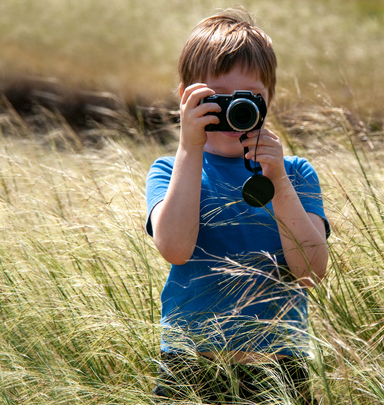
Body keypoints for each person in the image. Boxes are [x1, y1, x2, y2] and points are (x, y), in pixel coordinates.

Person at [145, 7, 330, 404]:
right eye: (217, 99)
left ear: (269, 100)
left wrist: (278, 181)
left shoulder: (295, 174)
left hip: (278, 364)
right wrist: (188, 147)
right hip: (191, 361)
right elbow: (175, 248)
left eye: (249, 99)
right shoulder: (170, 170)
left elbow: (311, 274)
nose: (234, 113)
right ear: (185, 99)